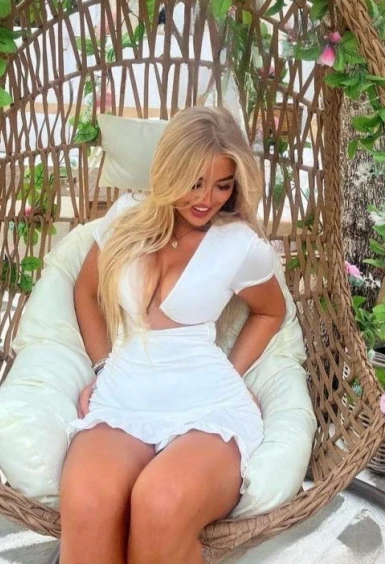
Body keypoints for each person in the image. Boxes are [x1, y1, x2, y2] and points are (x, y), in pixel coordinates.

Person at [59, 106, 287, 564]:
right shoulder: (126, 217)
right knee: (88, 501)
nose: (207, 199)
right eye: (195, 182)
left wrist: (232, 374)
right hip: (123, 395)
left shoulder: (240, 245)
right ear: (169, 170)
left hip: (208, 406)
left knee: (160, 501)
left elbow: (270, 311)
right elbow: (86, 292)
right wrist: (102, 367)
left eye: (223, 184)